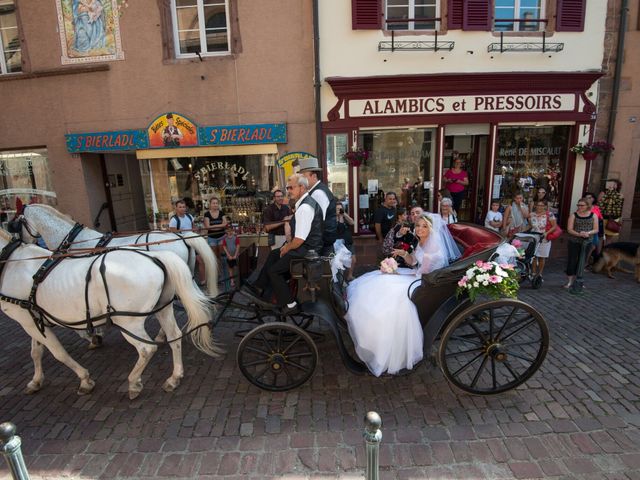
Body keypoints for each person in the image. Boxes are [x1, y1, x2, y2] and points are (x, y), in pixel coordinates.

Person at [345, 213, 461, 376]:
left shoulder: (433, 247)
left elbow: (422, 271)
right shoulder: (422, 241)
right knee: (377, 281)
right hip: (419, 275)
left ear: (431, 229)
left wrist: (397, 273)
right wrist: (403, 254)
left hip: (425, 283)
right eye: (418, 225)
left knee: (388, 288)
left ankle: (381, 340)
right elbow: (413, 261)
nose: (420, 229)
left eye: (424, 226)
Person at [245, 174, 323, 314]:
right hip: (306, 248)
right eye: (287, 188)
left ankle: (290, 303)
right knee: (275, 254)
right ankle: (260, 287)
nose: (288, 191)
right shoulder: (304, 204)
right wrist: (284, 247)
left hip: (306, 251)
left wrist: (287, 247)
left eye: (291, 187)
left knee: (274, 271)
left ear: (302, 187)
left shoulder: (305, 208)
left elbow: (299, 240)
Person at [297, 157, 337, 255]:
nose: (301, 180)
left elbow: (317, 221)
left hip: (321, 245)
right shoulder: (315, 191)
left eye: (304, 176)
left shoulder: (318, 193)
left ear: (313, 176)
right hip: (320, 243)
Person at [169, 199, 205, 285]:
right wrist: (183, 231)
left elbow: (193, 228)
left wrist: (196, 231)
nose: (182, 209)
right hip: (182, 244)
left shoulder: (189, 217)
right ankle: (187, 282)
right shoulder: (174, 220)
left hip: (192, 241)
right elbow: (173, 232)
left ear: (186, 208)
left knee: (200, 260)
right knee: (185, 263)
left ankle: (203, 281)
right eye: (180, 207)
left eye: (183, 207)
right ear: (176, 208)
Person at [564, 198, 598, 290]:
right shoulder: (573, 215)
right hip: (574, 241)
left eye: (582, 205)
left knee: (582, 261)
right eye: (578, 205)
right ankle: (570, 281)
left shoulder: (593, 215)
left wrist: (588, 233)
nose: (580, 207)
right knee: (572, 260)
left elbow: (596, 229)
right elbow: (569, 229)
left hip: (587, 241)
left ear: (587, 206)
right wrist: (579, 234)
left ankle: (579, 280)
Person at [529, 200, 558, 278]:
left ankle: (540, 274)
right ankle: (533, 273)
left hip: (544, 237)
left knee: (542, 256)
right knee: (534, 256)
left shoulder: (550, 214)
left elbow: (554, 226)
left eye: (542, 205)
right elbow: (530, 226)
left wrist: (547, 233)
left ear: (545, 206)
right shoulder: (532, 214)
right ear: (535, 206)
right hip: (534, 237)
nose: (540, 207)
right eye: (538, 205)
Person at [335, 204, 355, 280]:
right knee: (340, 261)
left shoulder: (345, 216)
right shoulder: (333, 218)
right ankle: (340, 279)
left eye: (341, 208)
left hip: (348, 241)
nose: (339, 210)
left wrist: (344, 214)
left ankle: (350, 275)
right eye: (337, 209)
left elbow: (352, 223)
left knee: (353, 260)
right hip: (339, 244)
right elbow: (340, 229)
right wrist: (339, 216)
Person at [584, 192, 604, 263]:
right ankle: (583, 264)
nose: (589, 199)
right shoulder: (583, 207)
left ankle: (587, 262)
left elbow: (601, 218)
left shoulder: (596, 207)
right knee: (587, 247)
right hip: (586, 229)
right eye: (587, 198)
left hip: (595, 230)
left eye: (590, 197)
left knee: (592, 247)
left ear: (593, 198)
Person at [222, 225, 240, 290]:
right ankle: (232, 280)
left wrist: (235, 255)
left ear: (233, 230)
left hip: (235, 255)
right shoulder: (225, 239)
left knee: (236, 268)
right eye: (228, 230)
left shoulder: (235, 238)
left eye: (231, 230)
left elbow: (238, 246)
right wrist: (228, 255)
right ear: (226, 231)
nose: (229, 232)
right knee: (230, 268)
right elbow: (224, 247)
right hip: (229, 256)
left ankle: (237, 279)